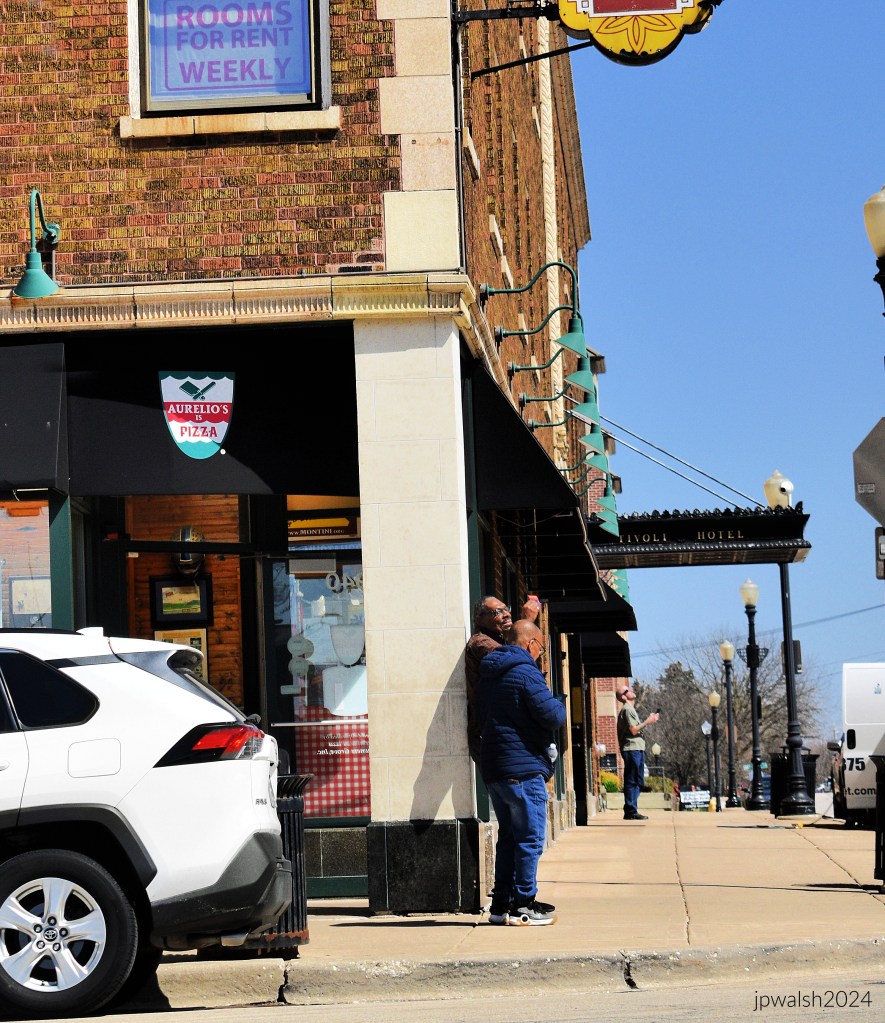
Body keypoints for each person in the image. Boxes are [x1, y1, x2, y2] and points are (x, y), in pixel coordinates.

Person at [475, 619, 565, 926]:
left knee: (509, 838)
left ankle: (501, 904)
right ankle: (524, 905)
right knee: (530, 839)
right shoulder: (526, 671)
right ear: (531, 644)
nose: (540, 654)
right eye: (541, 648)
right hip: (523, 769)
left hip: (495, 769)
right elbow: (551, 715)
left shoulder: (488, 675)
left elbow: (481, 718)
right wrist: (559, 703)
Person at [465, 594, 541, 762]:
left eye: (507, 609)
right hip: (489, 734)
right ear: (480, 619)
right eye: (498, 612)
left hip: (505, 732)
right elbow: (512, 661)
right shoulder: (480, 643)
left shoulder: (502, 641)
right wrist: (526, 624)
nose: (506, 614)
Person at [616, 684, 659, 821]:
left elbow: (636, 728)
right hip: (631, 748)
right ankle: (630, 810)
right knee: (631, 779)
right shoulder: (627, 710)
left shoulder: (631, 709)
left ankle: (630, 808)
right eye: (627, 690)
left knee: (638, 781)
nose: (631, 690)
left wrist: (647, 721)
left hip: (637, 748)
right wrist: (648, 721)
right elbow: (634, 730)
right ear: (623, 696)